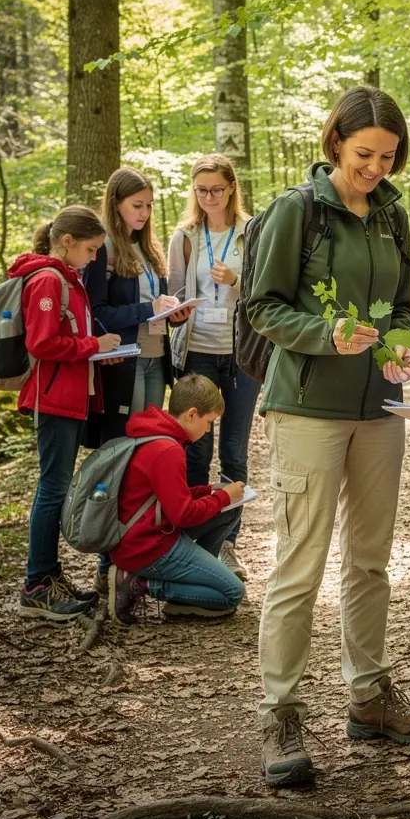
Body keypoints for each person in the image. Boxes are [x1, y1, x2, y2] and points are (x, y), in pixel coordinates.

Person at [247, 85, 410, 788]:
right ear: (335, 145)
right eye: (363, 154)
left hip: (379, 407)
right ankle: (280, 712)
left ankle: (370, 695)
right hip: (306, 409)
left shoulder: (394, 216)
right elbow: (262, 307)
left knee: (370, 561)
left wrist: (401, 345)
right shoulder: (298, 211)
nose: (375, 168)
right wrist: (325, 335)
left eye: (387, 156)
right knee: (299, 567)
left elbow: (405, 304)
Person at [12, 205, 123, 620]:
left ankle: (49, 577)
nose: (93, 258)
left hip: (70, 398)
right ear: (68, 242)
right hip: (54, 399)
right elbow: (41, 345)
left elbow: (69, 338)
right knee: (52, 490)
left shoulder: (67, 279)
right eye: (91, 250)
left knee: (55, 488)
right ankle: (37, 585)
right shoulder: (47, 280)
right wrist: (94, 347)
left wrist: (97, 350)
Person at [168, 154, 258, 582]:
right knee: (196, 449)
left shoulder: (250, 233)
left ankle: (226, 544)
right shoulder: (185, 236)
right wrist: (176, 313)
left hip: (240, 353)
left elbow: (262, 294)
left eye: (216, 189)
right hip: (198, 351)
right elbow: (172, 297)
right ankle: (191, 539)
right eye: (201, 190)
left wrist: (235, 284)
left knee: (234, 449)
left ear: (231, 189)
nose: (208, 197)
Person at [106, 374, 247, 625]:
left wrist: (209, 491)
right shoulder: (168, 450)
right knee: (232, 593)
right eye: (209, 421)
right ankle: (139, 583)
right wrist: (223, 497)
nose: (208, 430)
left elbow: (165, 497)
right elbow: (181, 514)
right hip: (148, 546)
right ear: (192, 414)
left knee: (230, 510)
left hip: (150, 532)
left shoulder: (160, 435)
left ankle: (188, 584)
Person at [85, 166, 182, 450]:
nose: (145, 213)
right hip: (126, 359)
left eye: (149, 205)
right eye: (137, 205)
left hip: (158, 355)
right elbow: (96, 313)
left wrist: (175, 315)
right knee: (126, 442)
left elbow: (157, 304)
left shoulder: (149, 247)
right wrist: (147, 309)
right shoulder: (103, 247)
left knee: (151, 439)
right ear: (116, 204)